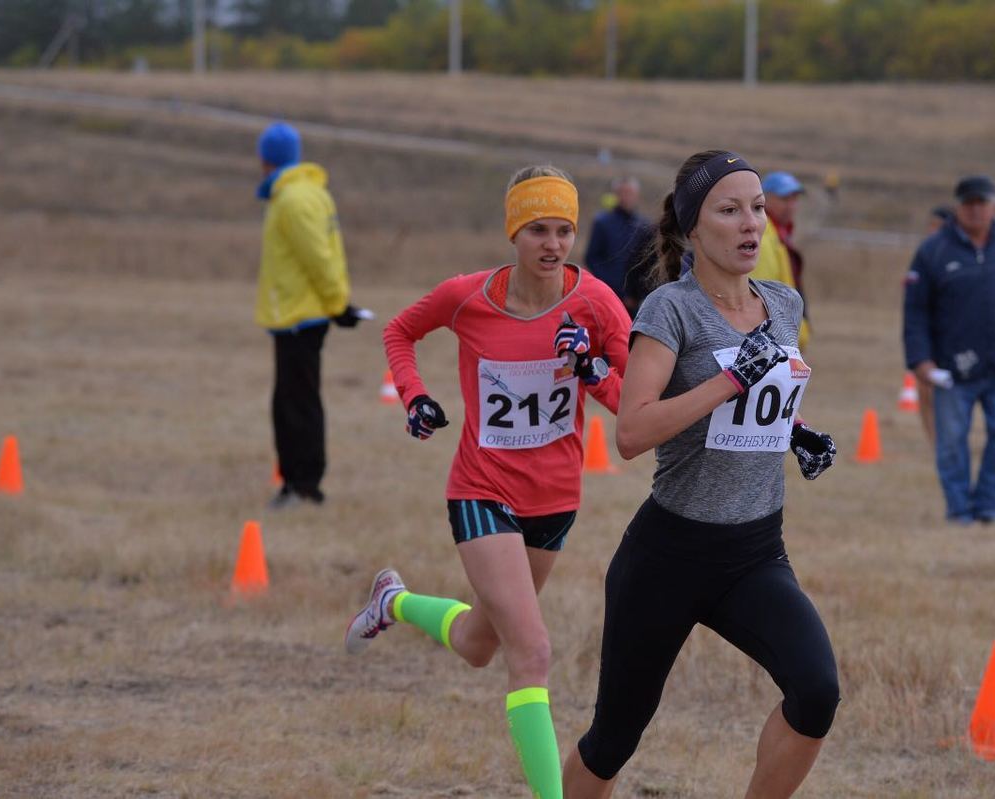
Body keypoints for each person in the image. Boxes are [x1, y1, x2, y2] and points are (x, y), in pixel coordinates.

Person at [344, 165, 631, 799]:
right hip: (480, 490)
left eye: (563, 231)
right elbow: (399, 331)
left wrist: (590, 369)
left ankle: (391, 602)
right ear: (513, 233)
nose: (553, 245)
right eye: (537, 231)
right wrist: (415, 396)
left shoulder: (598, 303)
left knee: (480, 643)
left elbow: (634, 402)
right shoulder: (467, 297)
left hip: (555, 502)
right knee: (530, 652)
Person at [563, 150, 841, 798]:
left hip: (754, 551)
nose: (750, 224)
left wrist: (796, 435)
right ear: (694, 228)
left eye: (757, 209)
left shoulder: (783, 301)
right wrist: (727, 380)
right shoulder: (670, 310)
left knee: (816, 690)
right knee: (612, 742)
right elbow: (631, 432)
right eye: (729, 209)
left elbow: (756, 408)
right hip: (668, 556)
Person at [903, 175, 995, 524]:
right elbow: (915, 312)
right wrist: (920, 360)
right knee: (951, 440)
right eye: (969, 203)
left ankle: (987, 509)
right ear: (958, 207)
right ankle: (959, 510)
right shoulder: (932, 250)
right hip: (953, 367)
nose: (976, 210)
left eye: (982, 203)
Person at [254, 121, 367, 509]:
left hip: (300, 316)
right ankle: (297, 482)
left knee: (296, 404)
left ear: (266, 159)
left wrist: (337, 304)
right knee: (291, 400)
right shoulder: (308, 194)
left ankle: (303, 487)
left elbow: (319, 258)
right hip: (297, 315)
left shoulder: (293, 200)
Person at [751, 171, 811, 349]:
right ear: (765, 199)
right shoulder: (764, 237)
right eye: (785, 199)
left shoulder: (779, 235)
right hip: (776, 343)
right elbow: (765, 292)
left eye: (795, 199)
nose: (791, 206)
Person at [914, 205, 958, 444]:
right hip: (926, 335)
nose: (931, 231)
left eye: (936, 226)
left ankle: (950, 438)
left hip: (950, 337)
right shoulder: (925, 256)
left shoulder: (956, 257)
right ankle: (934, 441)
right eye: (929, 225)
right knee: (924, 389)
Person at [584, 176, 651, 316]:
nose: (626, 197)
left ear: (636, 195)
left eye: (630, 193)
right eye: (622, 192)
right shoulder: (602, 222)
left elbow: (647, 263)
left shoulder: (644, 226)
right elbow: (592, 258)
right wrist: (615, 289)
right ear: (615, 195)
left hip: (635, 301)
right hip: (606, 295)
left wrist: (636, 294)